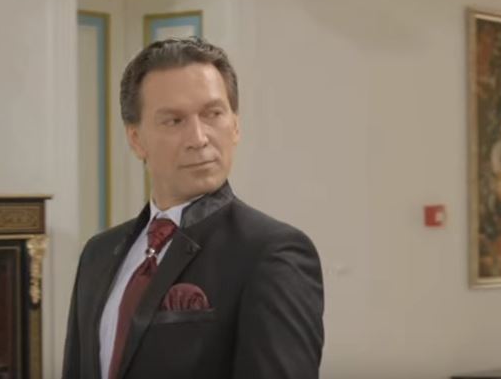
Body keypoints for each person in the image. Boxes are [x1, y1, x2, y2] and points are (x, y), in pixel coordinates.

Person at [62, 37, 324, 379]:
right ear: (136, 139)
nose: (199, 138)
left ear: (235, 125)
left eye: (213, 114)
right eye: (174, 121)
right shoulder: (97, 254)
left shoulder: (272, 253)